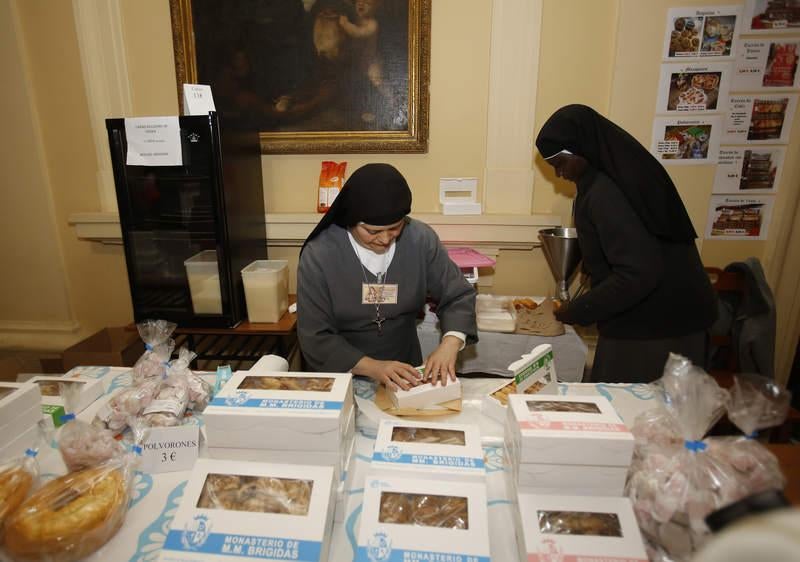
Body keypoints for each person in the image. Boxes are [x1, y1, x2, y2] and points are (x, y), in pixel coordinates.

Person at [535, 104, 717, 383]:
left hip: (657, 329)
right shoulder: (605, 180)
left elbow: (638, 273)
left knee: (625, 405)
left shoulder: (607, 192)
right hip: (654, 321)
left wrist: (578, 310)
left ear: (581, 149)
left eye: (560, 164)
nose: (560, 174)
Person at [297, 163, 478, 391]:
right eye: (372, 231)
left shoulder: (420, 240)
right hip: (340, 373)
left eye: (394, 228)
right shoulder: (320, 254)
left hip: (405, 371)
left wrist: (451, 343)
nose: (384, 239)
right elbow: (315, 335)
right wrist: (373, 367)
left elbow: (458, 295)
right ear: (350, 220)